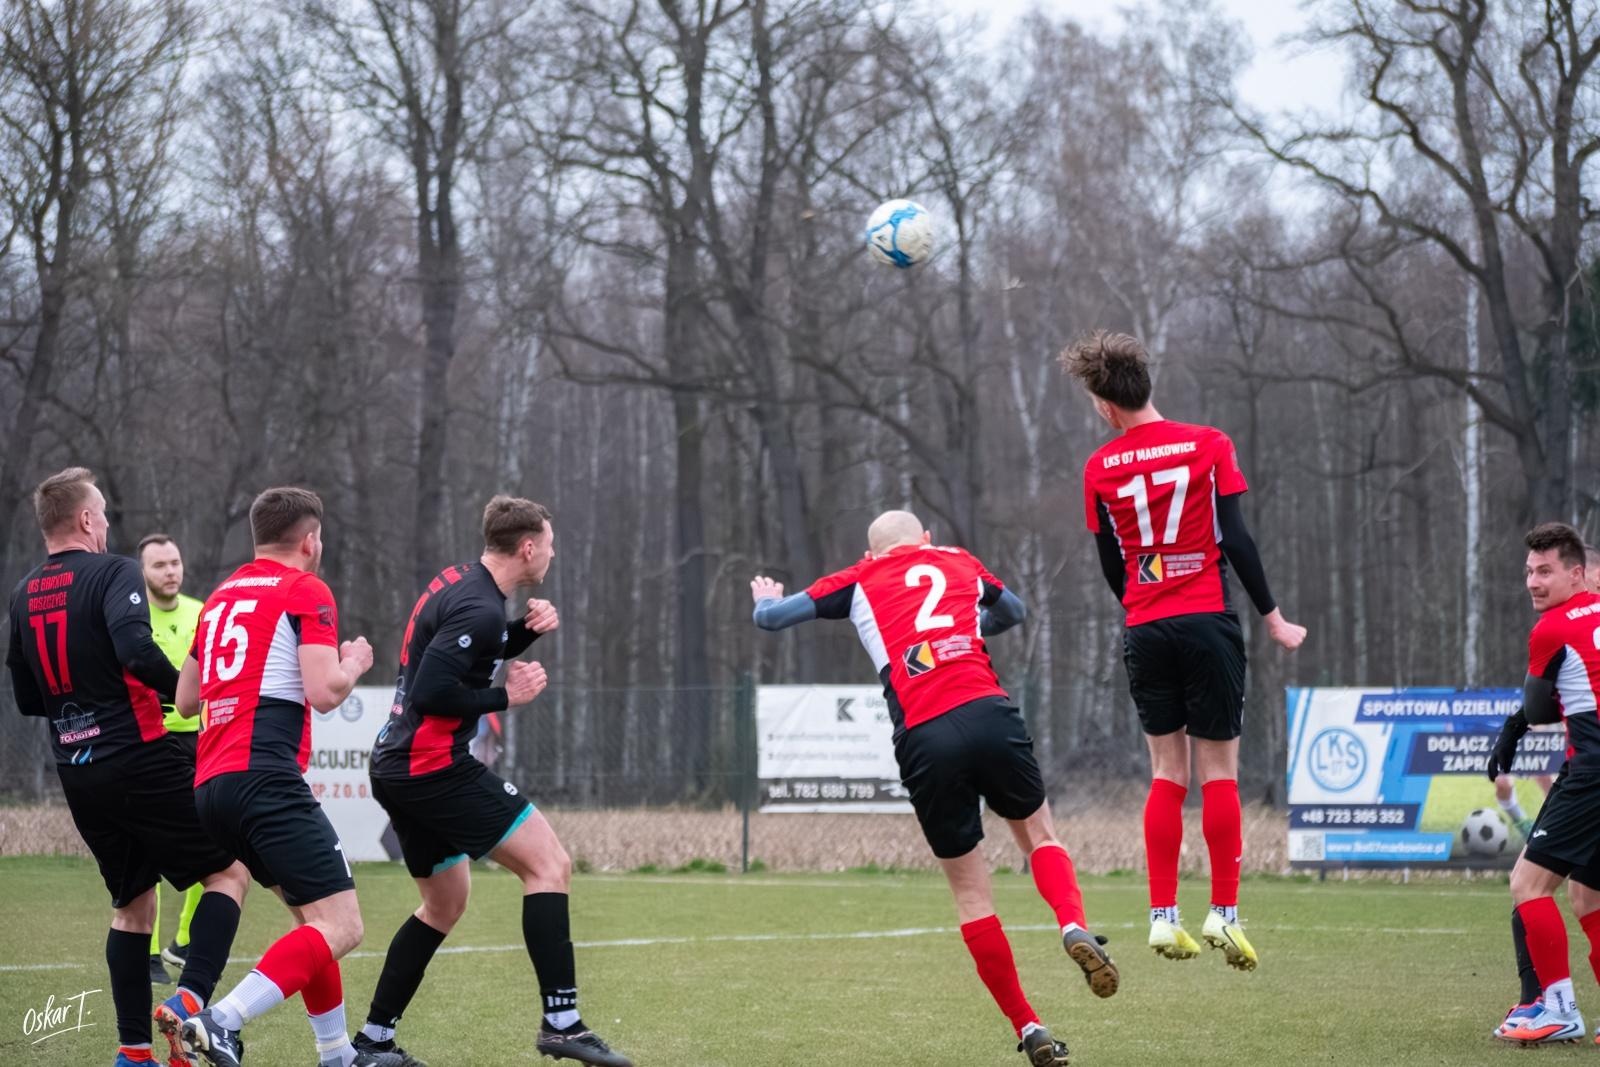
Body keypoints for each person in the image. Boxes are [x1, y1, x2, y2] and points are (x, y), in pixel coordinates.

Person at [750, 509, 1115, 1067]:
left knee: (971, 893)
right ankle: (1071, 923)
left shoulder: (858, 578)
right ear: (926, 539)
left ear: (872, 555)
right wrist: (965, 628)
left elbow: (774, 621)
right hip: (988, 711)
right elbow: (1014, 612)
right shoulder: (959, 561)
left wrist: (763, 599)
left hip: (925, 734)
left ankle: (1031, 1026)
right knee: (1040, 834)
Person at [1062, 331, 1305, 969]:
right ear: (1145, 385)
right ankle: (1223, 914)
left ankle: (1162, 919)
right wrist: (1273, 617)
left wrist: (1143, 606)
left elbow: (1111, 563)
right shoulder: (1209, 444)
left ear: (1105, 405)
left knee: (1166, 774)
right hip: (1205, 620)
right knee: (1218, 773)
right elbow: (1237, 538)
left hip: (1146, 627)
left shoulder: (1098, 468)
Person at [360, 495, 631, 1067]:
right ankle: (563, 1023)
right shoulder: (479, 607)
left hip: (400, 765)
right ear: (528, 547)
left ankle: (373, 1042)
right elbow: (435, 690)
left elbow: (467, 651)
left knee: (443, 906)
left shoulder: (461, 582)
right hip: (431, 768)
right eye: (550, 545)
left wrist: (523, 635)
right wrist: (510, 695)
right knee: (549, 865)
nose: (552, 555)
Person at [5, 468, 247, 1067]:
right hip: (139, 755)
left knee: (132, 905)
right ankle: (191, 1004)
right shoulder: (115, 571)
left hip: (76, 770)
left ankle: (133, 1054)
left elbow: (28, 700)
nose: (109, 522)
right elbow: (138, 652)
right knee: (229, 874)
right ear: (85, 520)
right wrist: (195, 698)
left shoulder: (21, 593)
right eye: (104, 512)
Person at [174, 487, 397, 1067]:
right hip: (264, 778)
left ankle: (337, 1055)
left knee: (311, 921)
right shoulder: (305, 589)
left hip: (211, 786)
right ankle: (218, 1021)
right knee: (343, 926)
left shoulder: (220, 597)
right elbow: (325, 694)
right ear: (310, 540)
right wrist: (353, 664)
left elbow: (186, 700)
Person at [1486, 536, 1600, 1042]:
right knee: (1588, 894)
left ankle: (1557, 1008)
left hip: (1592, 772)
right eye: (1530, 570)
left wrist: (1513, 728)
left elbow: (1535, 711)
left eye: (1546, 571)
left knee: (1527, 885)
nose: (1533, 581)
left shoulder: (1550, 628)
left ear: (1576, 574)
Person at [138, 533, 207, 985]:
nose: (170, 571)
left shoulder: (201, 612)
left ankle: (185, 940)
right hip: (149, 743)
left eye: (175, 562)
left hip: (200, 742)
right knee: (147, 850)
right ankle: (146, 952)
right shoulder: (131, 617)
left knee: (217, 843)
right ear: (142, 571)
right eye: (160, 565)